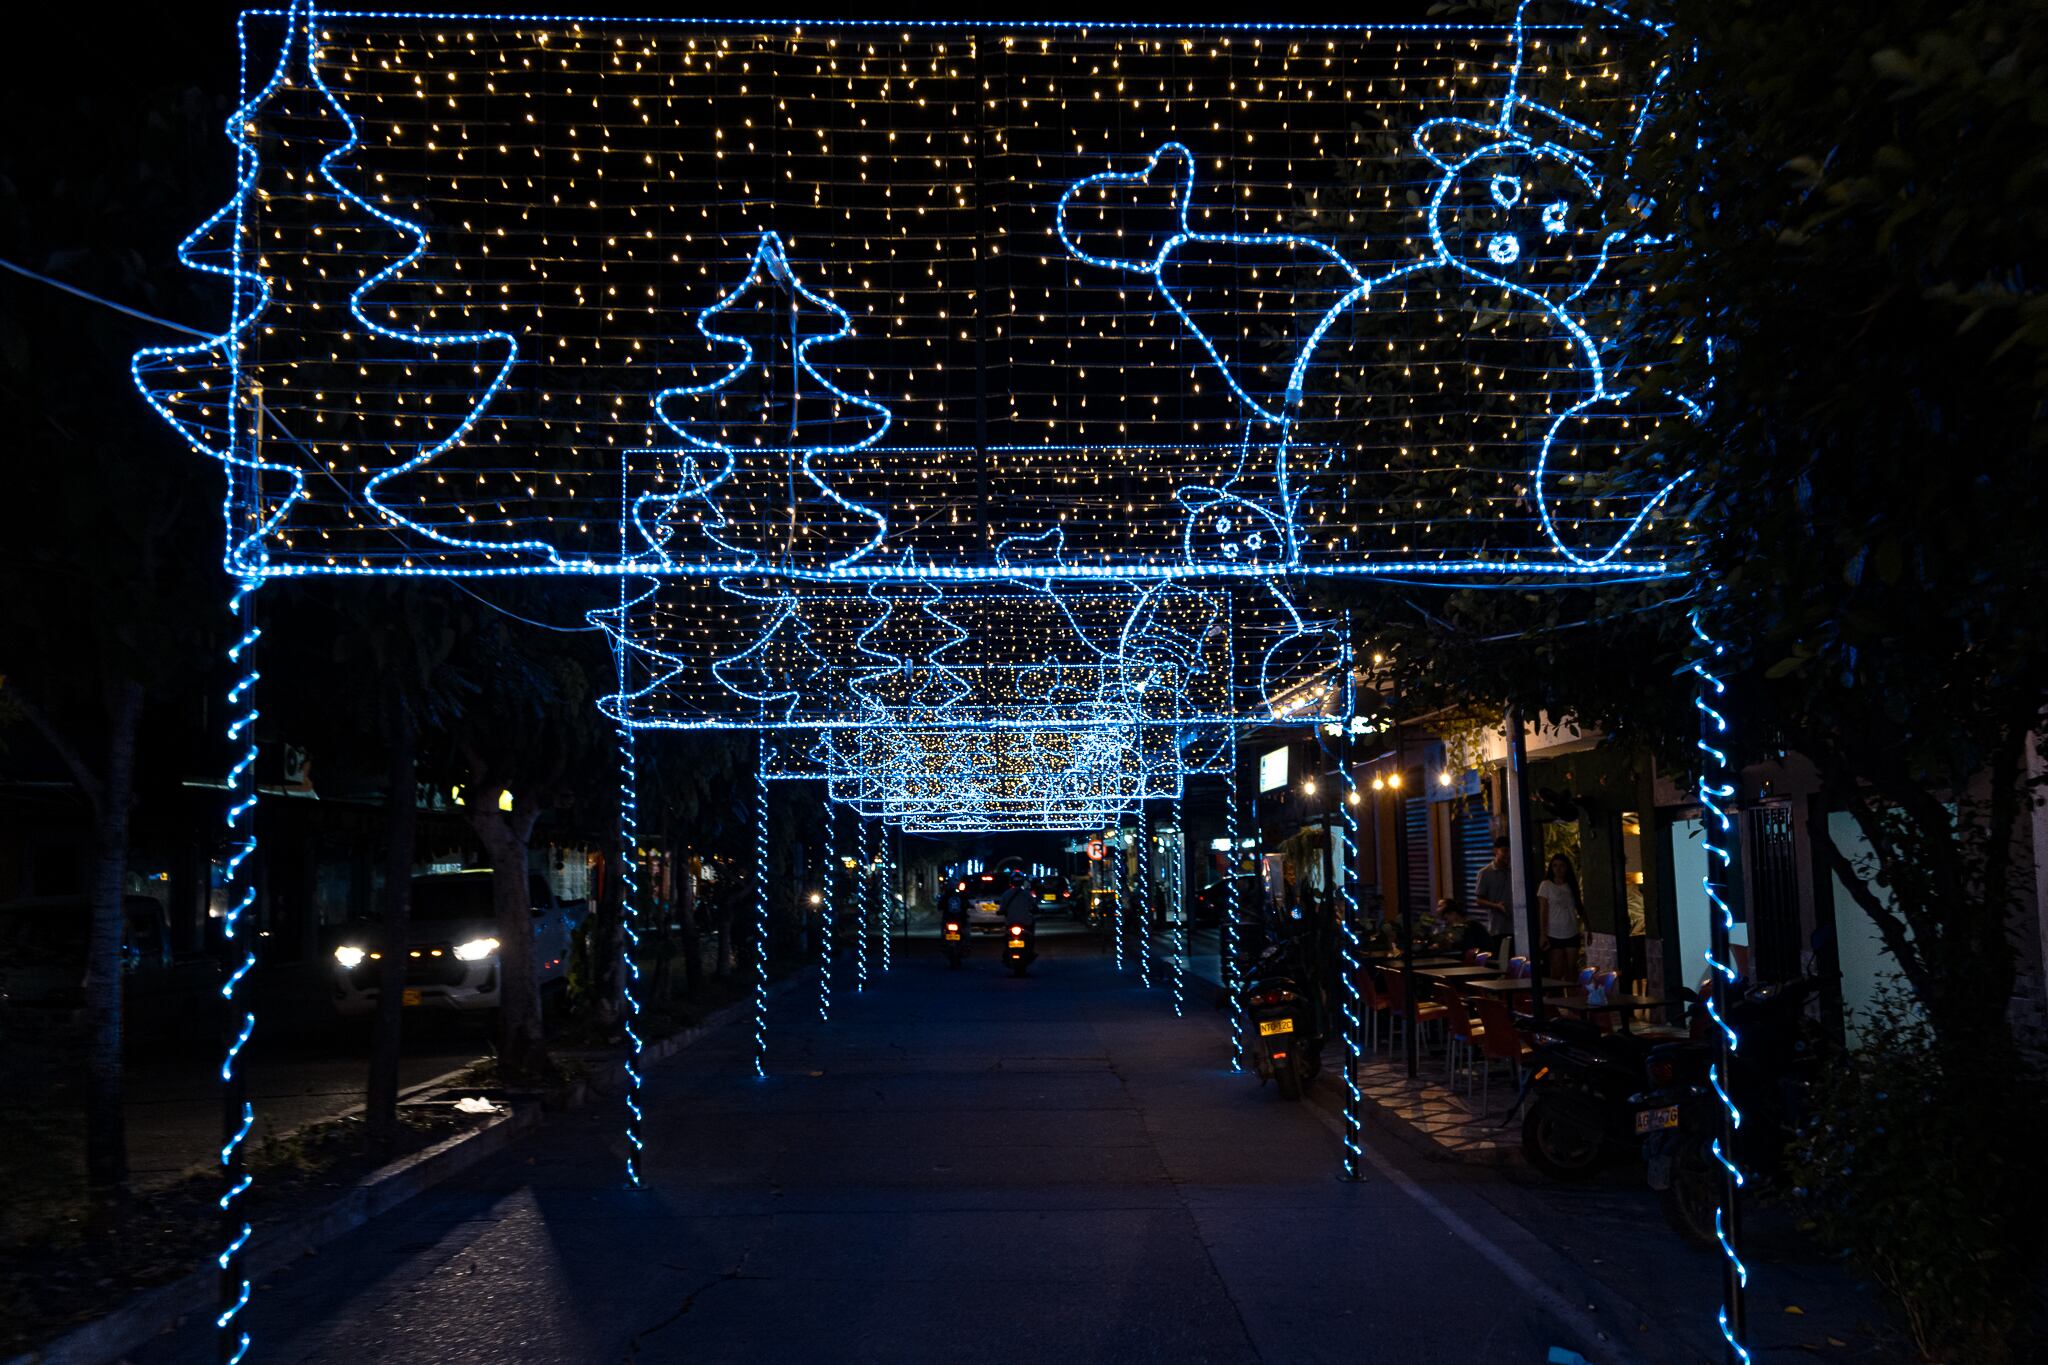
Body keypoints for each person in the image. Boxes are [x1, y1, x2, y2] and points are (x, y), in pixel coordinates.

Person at [1538, 852, 1585, 982]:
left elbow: (1579, 906)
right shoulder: (1546, 885)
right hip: (1554, 932)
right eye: (1555, 866)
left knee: (1572, 969)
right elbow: (1543, 910)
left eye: (1562, 866)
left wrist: (1588, 927)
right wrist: (1543, 934)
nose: (1558, 869)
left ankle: (1572, 993)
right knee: (1556, 971)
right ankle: (1555, 993)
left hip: (1571, 930)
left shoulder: (1571, 885)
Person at [1472, 836, 1514, 943]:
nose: (1508, 855)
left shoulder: (1515, 871)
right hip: (1498, 928)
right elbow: (1479, 900)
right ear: (1495, 851)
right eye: (1505, 851)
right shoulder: (1485, 873)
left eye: (1510, 851)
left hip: (1518, 928)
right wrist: (1496, 906)